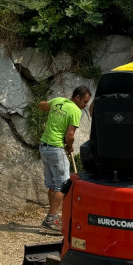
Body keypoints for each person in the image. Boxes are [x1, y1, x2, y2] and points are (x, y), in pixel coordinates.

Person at [38, 85, 92, 231]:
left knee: (52, 185)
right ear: (77, 97)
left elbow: (42, 105)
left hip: (44, 147)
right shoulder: (75, 110)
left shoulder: (58, 101)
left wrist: (50, 108)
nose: (85, 105)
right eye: (84, 102)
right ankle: (50, 219)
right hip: (56, 149)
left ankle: (52, 217)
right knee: (64, 185)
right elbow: (70, 135)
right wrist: (69, 147)